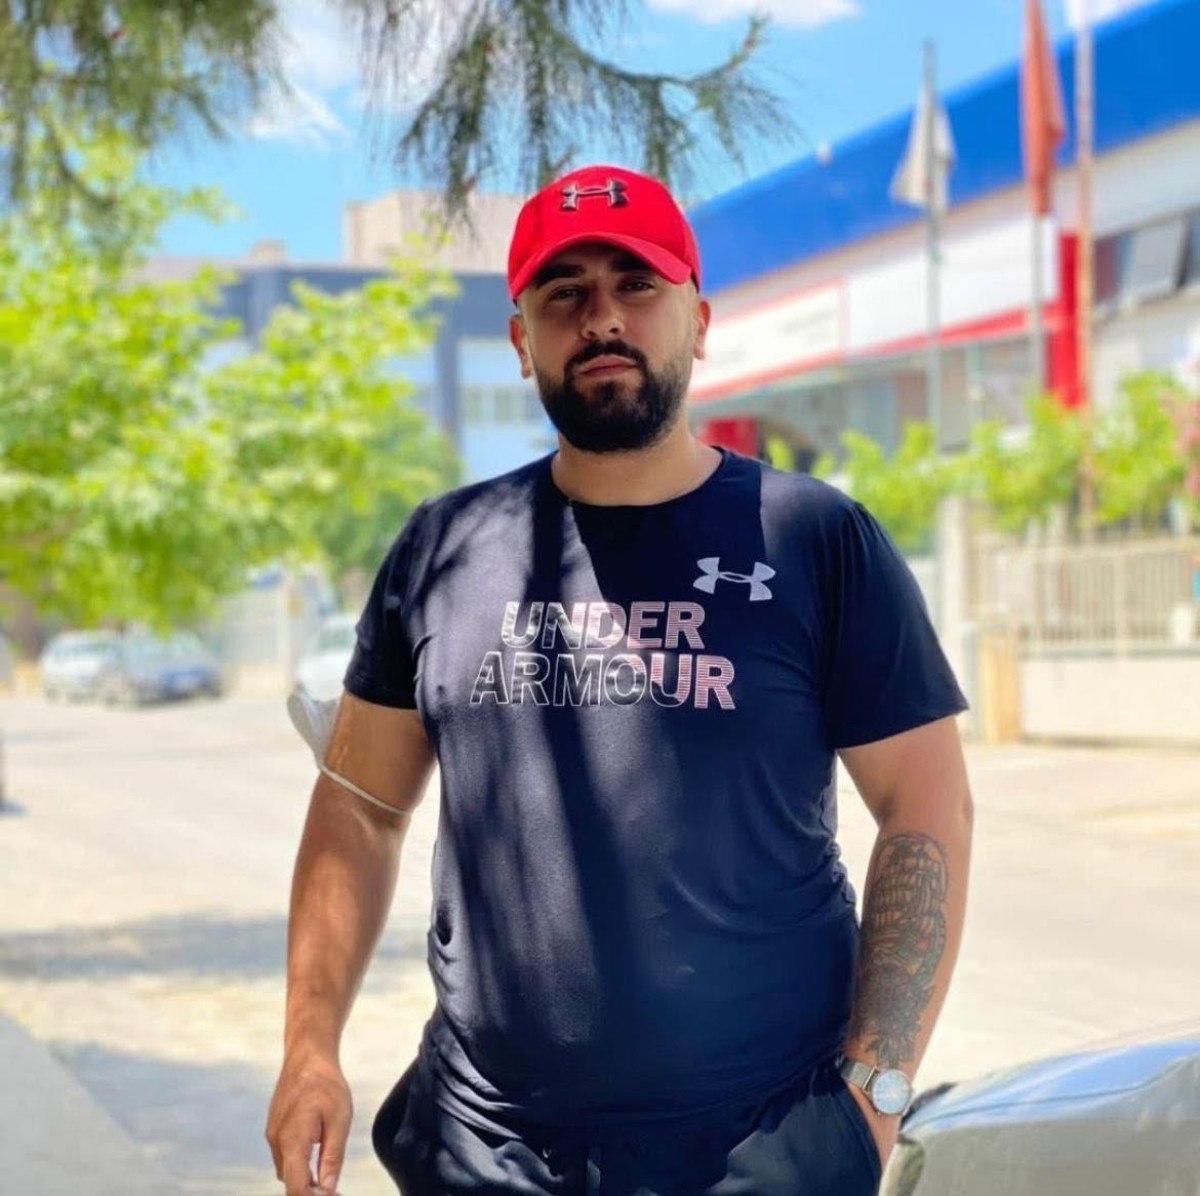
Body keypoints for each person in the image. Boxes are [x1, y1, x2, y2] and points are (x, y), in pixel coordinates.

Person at [266, 163, 974, 1196]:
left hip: (763, 1144)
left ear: (699, 320)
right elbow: (360, 806)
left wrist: (873, 1094)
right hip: (485, 1147)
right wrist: (309, 1046)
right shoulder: (440, 549)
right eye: (565, 293)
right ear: (522, 341)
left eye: (636, 285)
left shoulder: (816, 539)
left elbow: (926, 803)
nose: (602, 317)